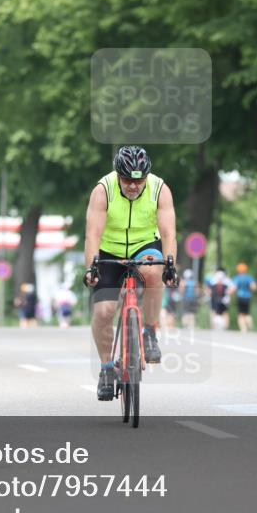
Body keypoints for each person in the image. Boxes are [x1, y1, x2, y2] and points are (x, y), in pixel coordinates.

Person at [83, 145, 178, 400]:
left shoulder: (160, 189)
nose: (134, 185)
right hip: (109, 250)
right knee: (103, 312)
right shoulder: (103, 190)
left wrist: (170, 264)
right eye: (127, 180)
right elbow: (93, 234)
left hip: (145, 245)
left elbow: (168, 233)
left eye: (139, 180)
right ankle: (106, 368)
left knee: (154, 273)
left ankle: (149, 332)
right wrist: (91, 266)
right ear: (118, 176)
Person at [231, 262, 257, 332]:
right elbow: (254, 287)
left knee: (241, 314)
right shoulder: (249, 278)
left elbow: (234, 288)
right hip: (248, 296)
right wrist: (250, 290)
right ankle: (250, 325)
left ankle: (243, 329)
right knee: (247, 313)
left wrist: (231, 293)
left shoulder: (237, 278)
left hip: (240, 296)